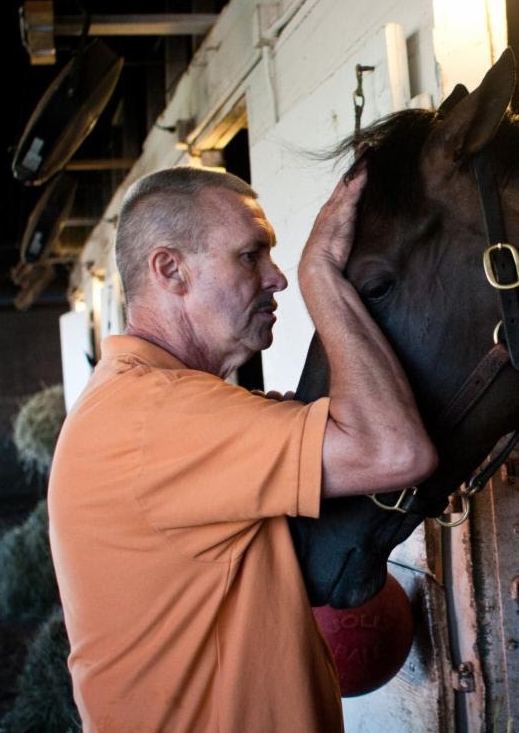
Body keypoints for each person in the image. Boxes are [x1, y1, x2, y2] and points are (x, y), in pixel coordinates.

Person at [47, 165, 436, 733]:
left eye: (274, 258)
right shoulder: (157, 417)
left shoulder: (150, 404)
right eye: (251, 255)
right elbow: (394, 450)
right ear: (170, 270)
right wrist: (320, 276)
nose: (275, 278)